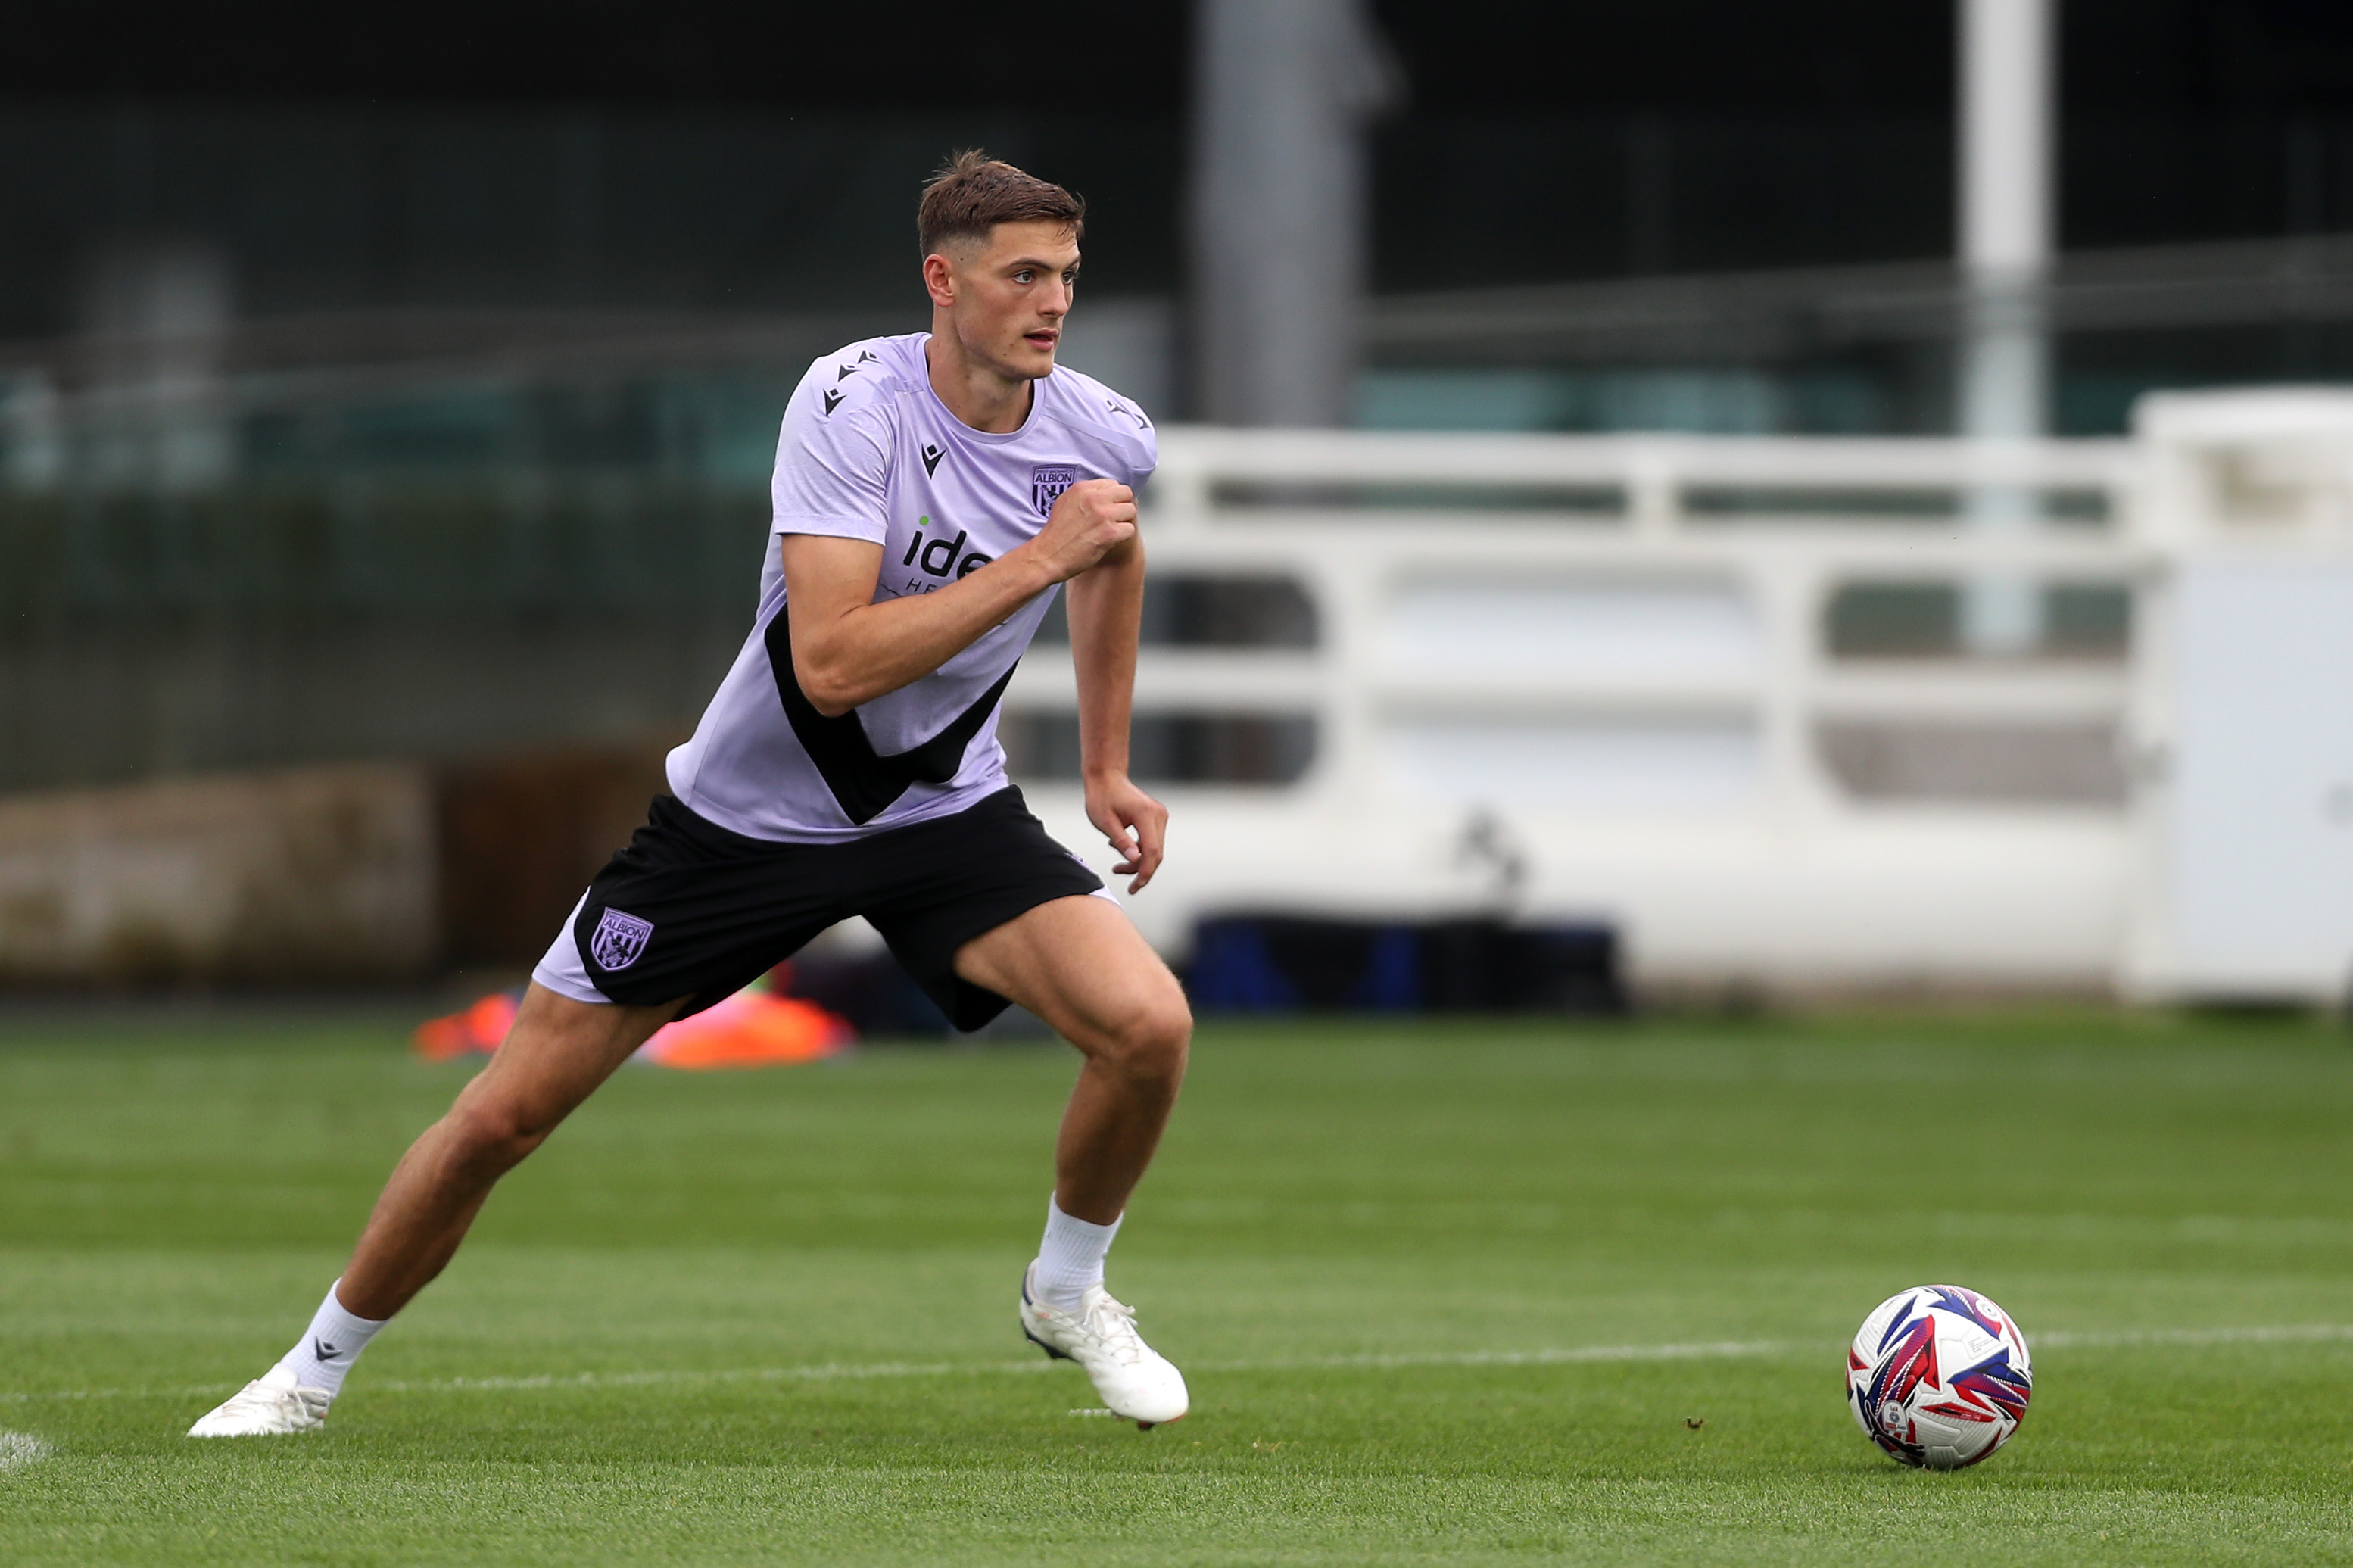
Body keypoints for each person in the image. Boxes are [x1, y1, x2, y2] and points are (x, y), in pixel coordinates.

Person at [189, 151, 1193, 1437]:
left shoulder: (1096, 430)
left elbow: (1112, 552)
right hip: (740, 830)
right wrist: (1036, 561)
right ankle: (306, 1376)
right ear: (943, 282)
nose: (1050, 301)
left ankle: (1068, 1290)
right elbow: (830, 667)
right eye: (1020, 275)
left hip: (940, 819)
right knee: (503, 1116)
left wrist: (1106, 763)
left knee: (1147, 1027)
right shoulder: (851, 404)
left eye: (1064, 273)